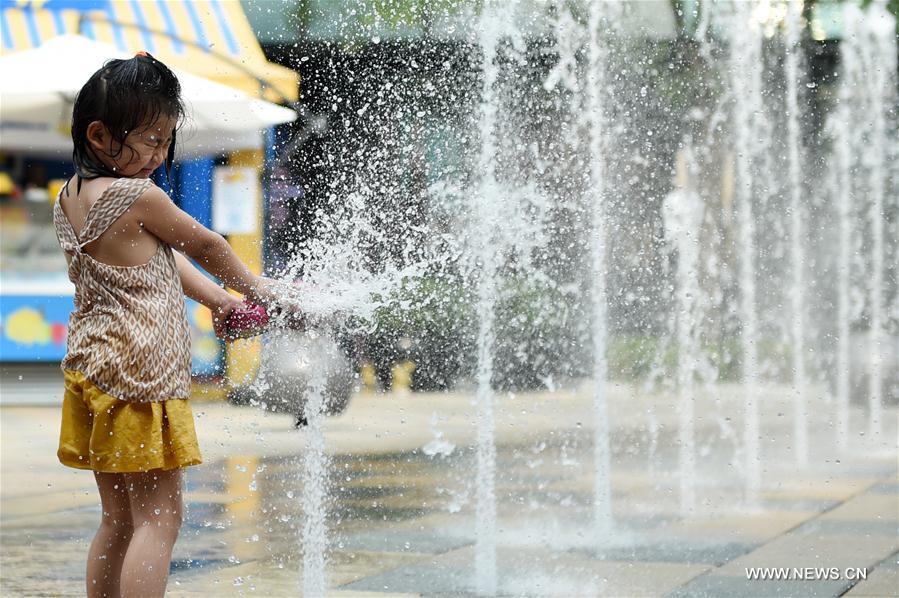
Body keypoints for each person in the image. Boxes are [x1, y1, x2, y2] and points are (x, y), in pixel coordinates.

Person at [53, 52, 281, 597]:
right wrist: (260, 289)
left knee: (119, 519)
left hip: (93, 371)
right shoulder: (137, 195)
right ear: (101, 135)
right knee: (160, 519)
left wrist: (219, 301)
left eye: (166, 141)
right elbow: (204, 244)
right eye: (151, 140)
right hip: (140, 376)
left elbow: (163, 258)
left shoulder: (68, 199)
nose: (160, 154)